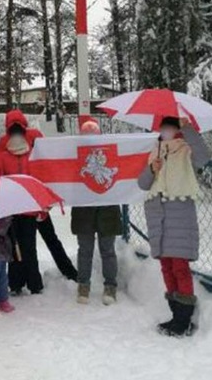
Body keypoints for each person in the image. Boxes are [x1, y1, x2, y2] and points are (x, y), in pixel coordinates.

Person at [138, 116, 211, 337]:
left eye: (170, 127)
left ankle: (184, 319)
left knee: (180, 266)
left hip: (179, 215)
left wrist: (188, 128)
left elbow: (204, 157)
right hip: (158, 215)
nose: (166, 130)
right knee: (166, 266)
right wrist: (152, 168)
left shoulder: (185, 149)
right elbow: (143, 183)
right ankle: (175, 315)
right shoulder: (156, 149)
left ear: (176, 129)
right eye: (163, 127)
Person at [72, 120, 122, 306]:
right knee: (85, 251)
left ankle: (110, 286)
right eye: (86, 134)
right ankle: (83, 285)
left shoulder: (108, 152)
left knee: (107, 250)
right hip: (83, 211)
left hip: (107, 210)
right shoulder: (75, 154)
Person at [0, 109, 44, 295]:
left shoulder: (33, 153)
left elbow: (38, 178)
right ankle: (16, 283)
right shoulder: (3, 154)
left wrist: (40, 204)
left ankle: (34, 283)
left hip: (29, 207)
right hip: (11, 208)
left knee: (29, 246)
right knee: (13, 246)